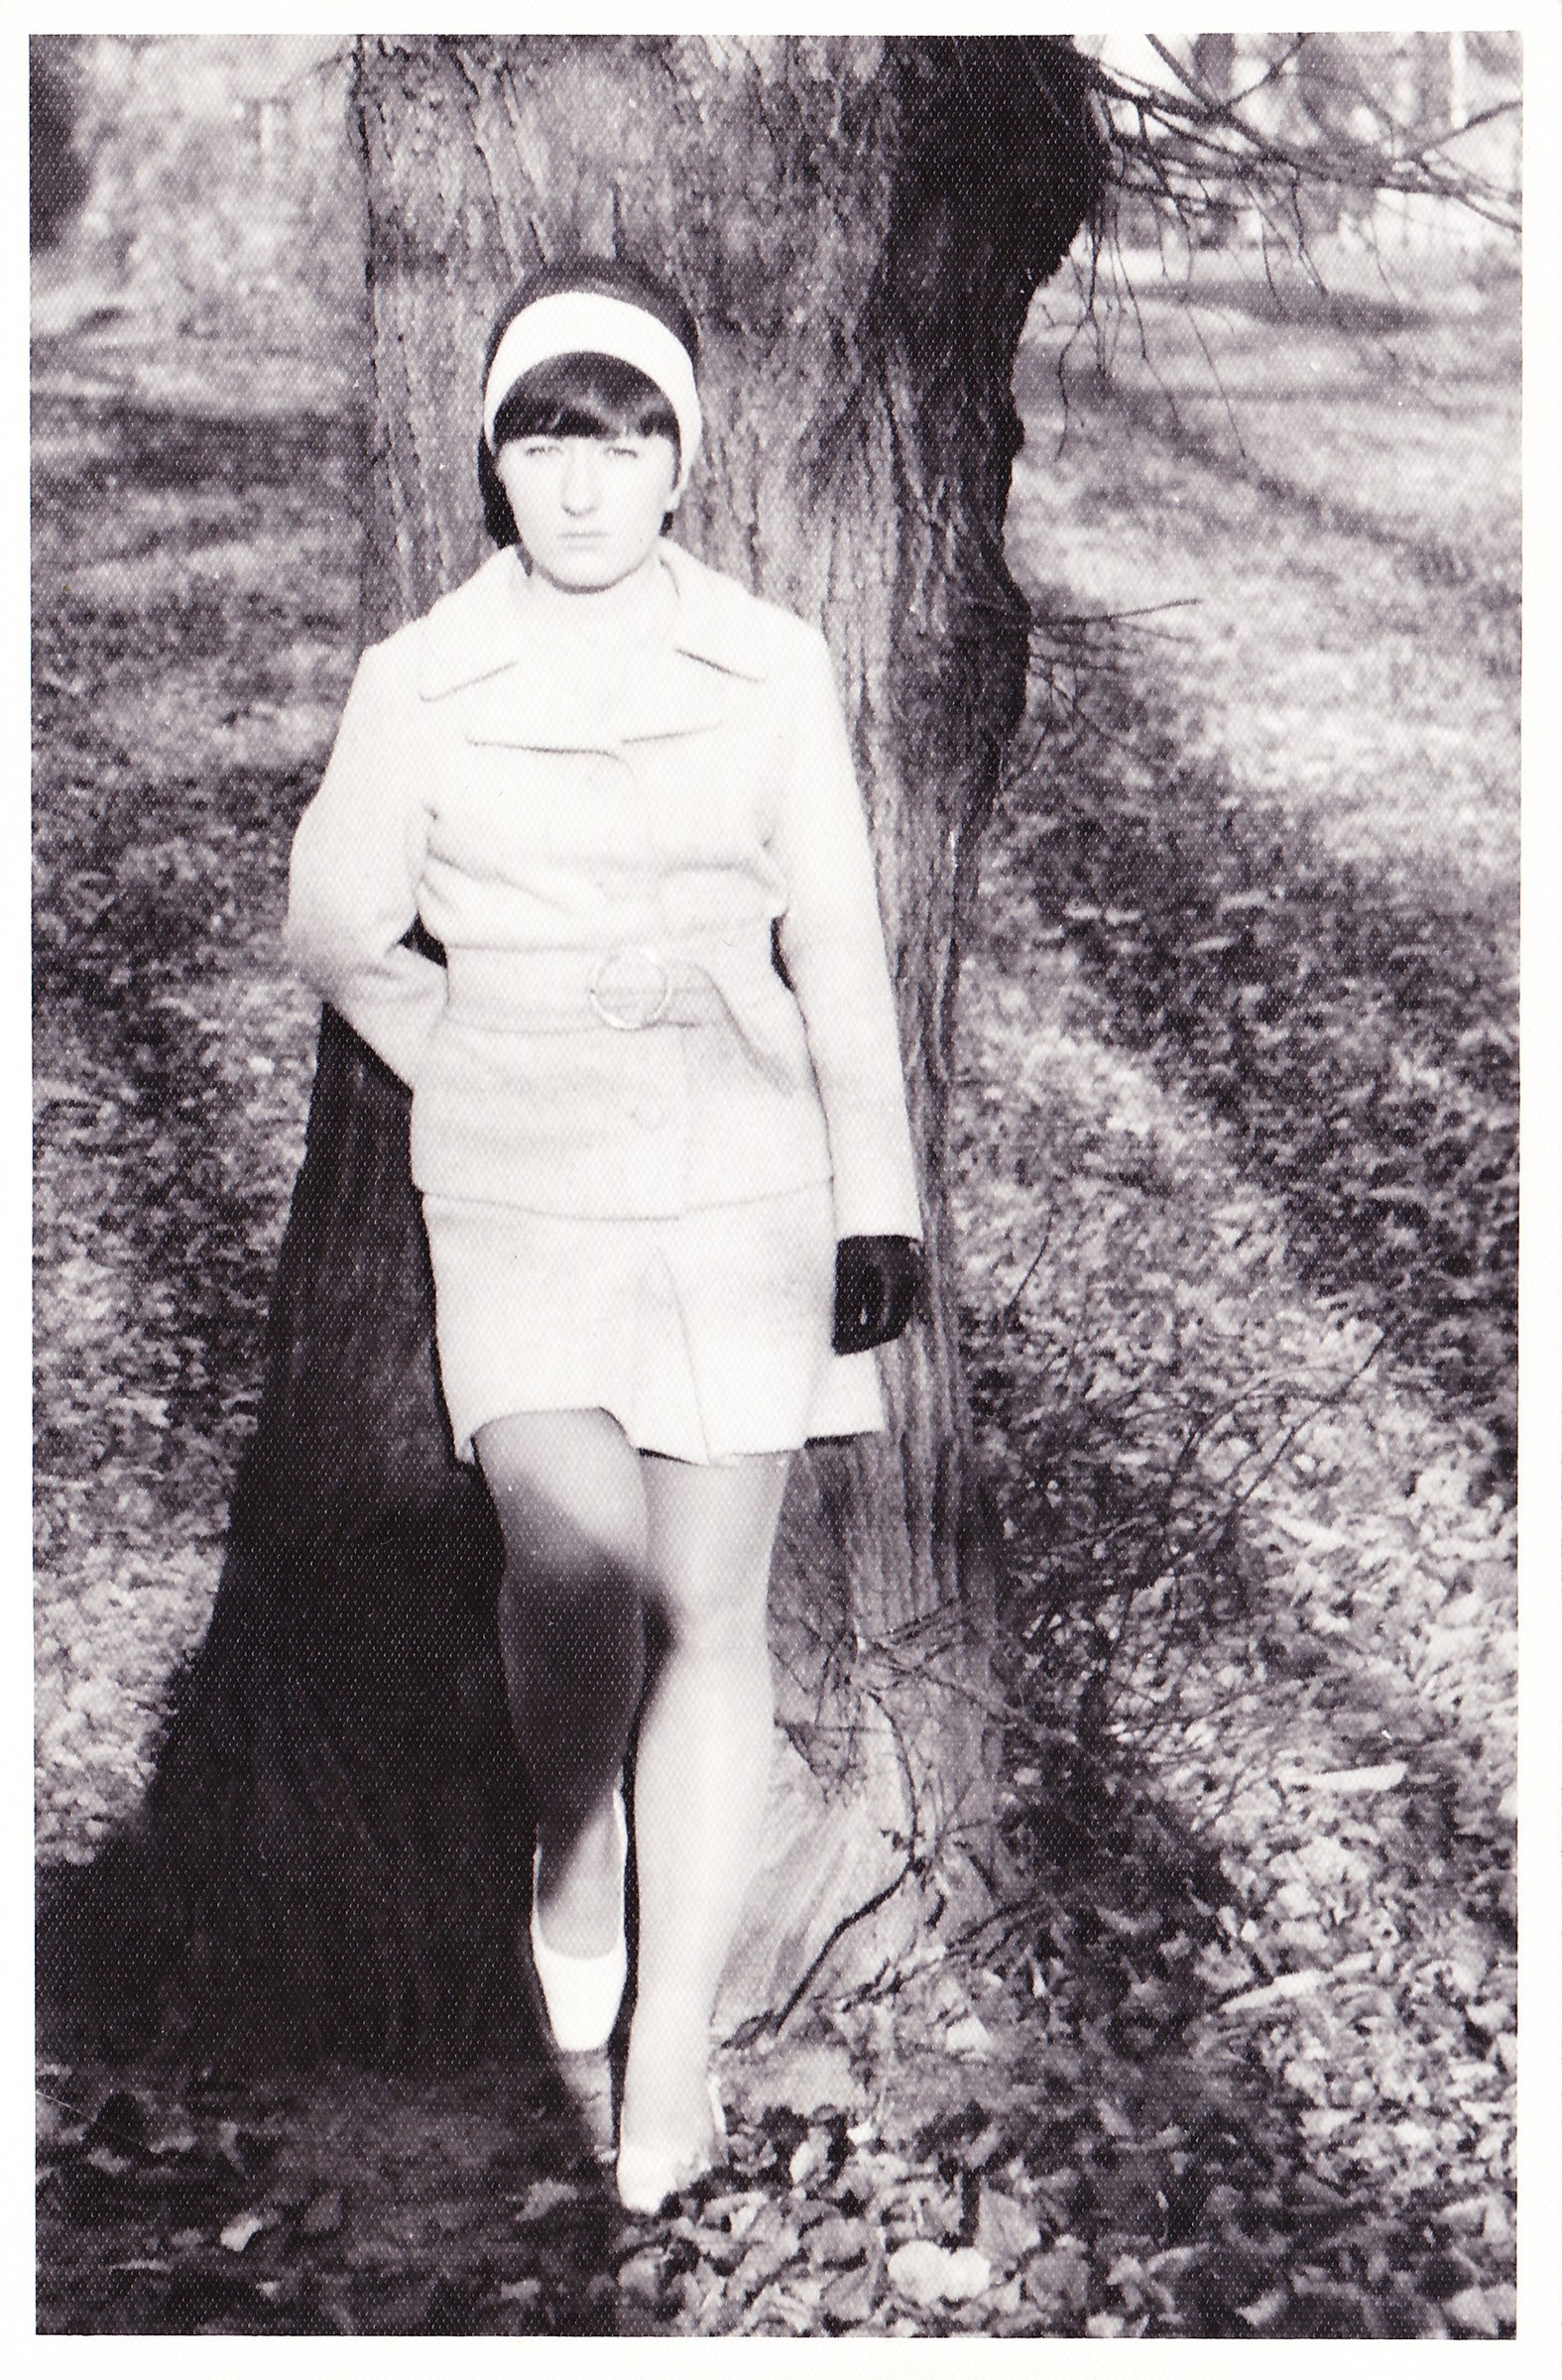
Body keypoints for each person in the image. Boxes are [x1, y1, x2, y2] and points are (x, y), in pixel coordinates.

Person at [284, 255, 923, 2212]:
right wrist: (472, 1054)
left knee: (709, 1614)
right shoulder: (419, 682)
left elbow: (835, 940)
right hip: (522, 1188)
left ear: (680, 461)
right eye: (544, 439)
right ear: (495, 462)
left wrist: (874, 1199)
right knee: (568, 1580)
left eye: (623, 439)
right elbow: (338, 925)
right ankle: (577, 1854)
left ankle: (670, 2058)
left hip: (743, 1182)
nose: (581, 481)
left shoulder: (771, 665)